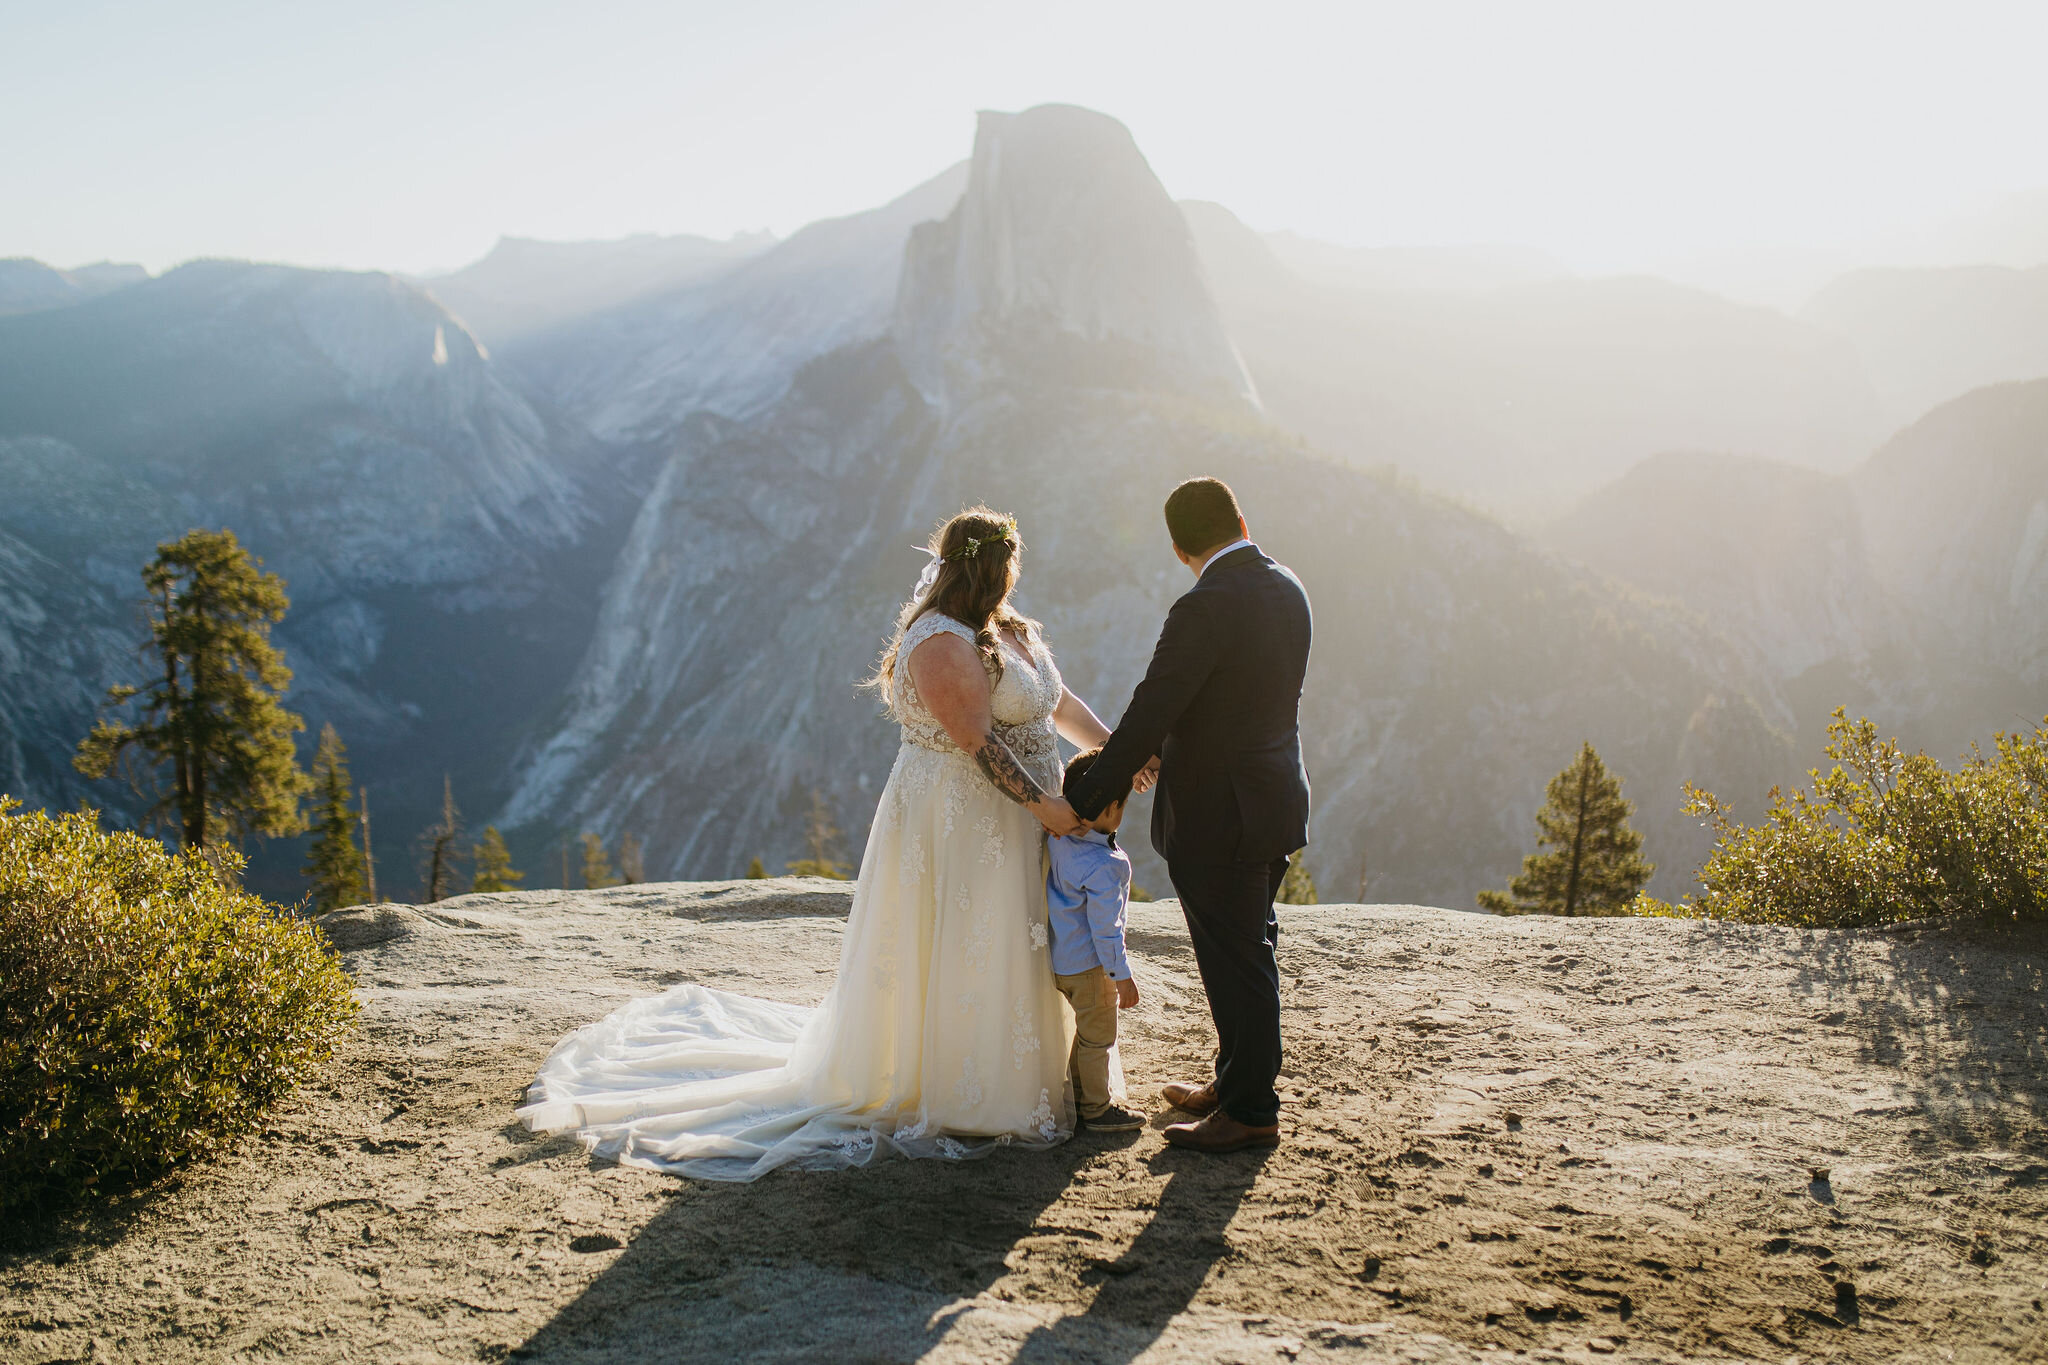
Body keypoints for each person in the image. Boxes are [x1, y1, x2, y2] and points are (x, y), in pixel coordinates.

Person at [518, 506, 1145, 1180]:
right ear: (985, 568)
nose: (1012, 581)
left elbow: (1058, 701)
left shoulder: (1008, 630)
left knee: (1020, 940)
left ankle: (1035, 1073)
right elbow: (977, 742)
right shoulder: (938, 642)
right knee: (967, 936)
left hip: (1021, 821)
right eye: (1005, 569)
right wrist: (1046, 806)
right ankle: (964, 1083)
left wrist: (1116, 754)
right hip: (962, 818)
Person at [1065, 477, 1312, 1154]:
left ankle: (1252, 1110)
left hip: (1218, 817)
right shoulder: (1290, 588)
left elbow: (1154, 708)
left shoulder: (1203, 607)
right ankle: (1235, 1084)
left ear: (1179, 549)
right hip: (1277, 798)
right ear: (1241, 517)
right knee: (1248, 947)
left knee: (1238, 961)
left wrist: (1084, 802)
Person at [1045, 747, 1146, 1134]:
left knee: (1085, 1034)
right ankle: (1096, 1109)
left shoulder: (1058, 840)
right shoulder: (1106, 866)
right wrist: (1121, 974)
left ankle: (1076, 1098)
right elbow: (1106, 928)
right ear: (1110, 810)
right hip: (1091, 967)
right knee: (1098, 1038)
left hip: (1061, 961)